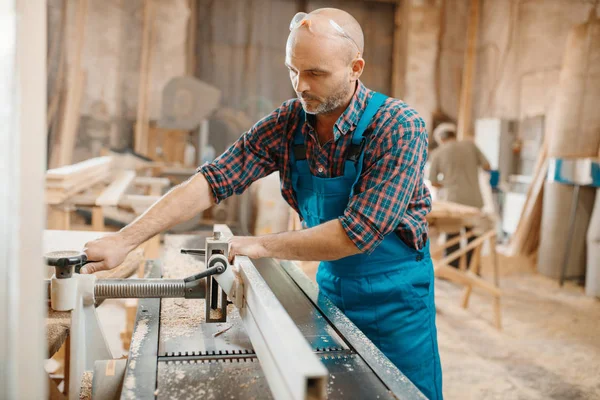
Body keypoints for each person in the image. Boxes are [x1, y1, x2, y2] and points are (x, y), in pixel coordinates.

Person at [82, 8, 442, 399]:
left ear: (355, 67)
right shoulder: (289, 122)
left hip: (398, 302)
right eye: (293, 70)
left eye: (316, 74)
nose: (300, 85)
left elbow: (356, 234)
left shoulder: (398, 126)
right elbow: (213, 178)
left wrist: (261, 244)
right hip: (333, 288)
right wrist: (124, 240)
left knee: (401, 391)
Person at [428, 123, 491, 268]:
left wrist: (447, 181)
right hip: (474, 200)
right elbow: (487, 166)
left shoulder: (438, 152)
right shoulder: (470, 146)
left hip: (453, 202)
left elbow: (433, 182)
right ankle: (472, 268)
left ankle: (453, 268)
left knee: (453, 236)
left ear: (441, 139)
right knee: (473, 236)